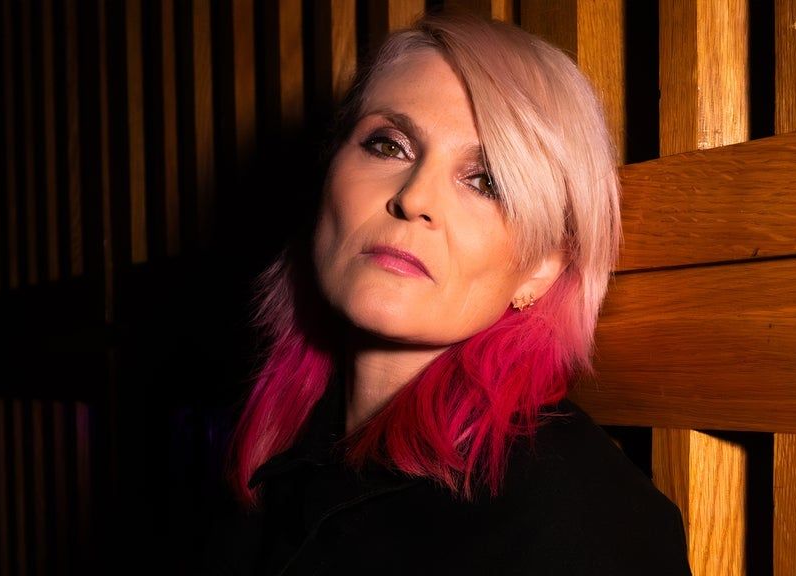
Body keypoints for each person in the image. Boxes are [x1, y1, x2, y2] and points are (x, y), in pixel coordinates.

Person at [202, 9, 691, 576]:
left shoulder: (584, 519)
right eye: (389, 146)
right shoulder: (270, 445)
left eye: (486, 181)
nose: (415, 198)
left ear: (540, 268)